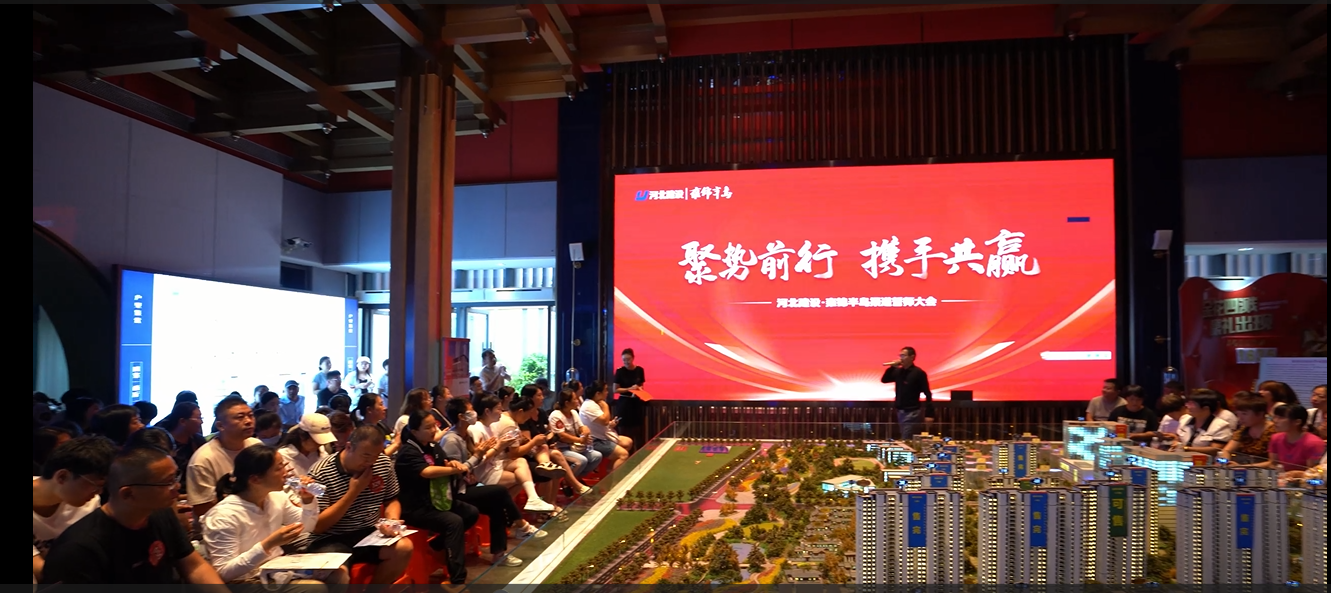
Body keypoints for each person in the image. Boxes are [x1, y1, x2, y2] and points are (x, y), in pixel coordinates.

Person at [39, 446, 225, 584]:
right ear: (128, 494)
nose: (177, 488)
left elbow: (194, 566)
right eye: (167, 482)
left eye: (176, 477)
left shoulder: (161, 513)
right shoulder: (78, 548)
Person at [202, 444, 344, 584]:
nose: (286, 472)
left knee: (339, 572)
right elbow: (224, 573)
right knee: (314, 587)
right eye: (278, 468)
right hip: (244, 580)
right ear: (255, 479)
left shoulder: (276, 497)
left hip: (274, 567)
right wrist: (268, 544)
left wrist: (308, 501)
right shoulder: (223, 515)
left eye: (284, 465)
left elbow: (306, 527)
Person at [438, 397, 546, 561]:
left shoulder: (465, 434)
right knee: (500, 492)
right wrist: (487, 452)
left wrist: (484, 452)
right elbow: (457, 471)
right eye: (470, 411)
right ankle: (521, 524)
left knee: (497, 504)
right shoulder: (451, 439)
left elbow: (473, 461)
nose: (474, 413)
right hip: (457, 491)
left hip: (469, 484)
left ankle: (500, 554)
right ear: (461, 416)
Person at [306, 426, 413, 585]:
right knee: (337, 574)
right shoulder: (321, 473)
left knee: (404, 548)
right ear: (349, 447)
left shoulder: (382, 463)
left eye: (376, 455)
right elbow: (318, 526)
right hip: (329, 538)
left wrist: (392, 521)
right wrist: (353, 492)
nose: (371, 462)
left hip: (368, 533)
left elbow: (391, 500)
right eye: (366, 455)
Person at [395, 409, 477, 583]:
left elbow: (444, 463)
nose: (433, 430)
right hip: (415, 508)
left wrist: (452, 463)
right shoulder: (408, 451)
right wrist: (454, 469)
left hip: (438, 501)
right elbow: (427, 472)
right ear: (414, 431)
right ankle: (457, 580)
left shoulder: (433, 446)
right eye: (428, 427)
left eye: (434, 425)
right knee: (454, 522)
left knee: (470, 512)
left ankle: (435, 545)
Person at [33, 436, 118, 583]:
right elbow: (42, 572)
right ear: (62, 476)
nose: (98, 493)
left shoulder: (89, 503)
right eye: (96, 485)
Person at [185, 397, 262, 519]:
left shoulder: (256, 445)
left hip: (259, 515)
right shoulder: (203, 459)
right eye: (240, 417)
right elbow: (201, 508)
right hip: (222, 523)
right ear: (220, 425)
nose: (248, 421)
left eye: (251, 415)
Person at [881, 347, 933, 441]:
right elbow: (884, 380)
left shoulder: (918, 373)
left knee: (907, 437)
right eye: (900, 356)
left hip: (912, 411)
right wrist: (892, 367)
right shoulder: (899, 372)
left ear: (912, 357)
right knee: (905, 435)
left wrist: (929, 414)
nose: (901, 358)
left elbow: (927, 393)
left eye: (903, 356)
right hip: (900, 411)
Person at [581, 380, 633, 472]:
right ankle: (613, 478)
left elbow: (603, 422)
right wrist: (605, 406)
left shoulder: (596, 403)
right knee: (623, 455)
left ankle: (609, 470)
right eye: (605, 390)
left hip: (603, 436)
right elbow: (604, 421)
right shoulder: (590, 406)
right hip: (595, 441)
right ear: (598, 393)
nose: (607, 392)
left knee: (628, 442)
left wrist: (611, 424)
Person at [1217, 392, 1276, 465]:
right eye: (1238, 414)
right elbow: (1226, 450)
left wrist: (1242, 467)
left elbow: (1273, 462)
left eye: (1244, 414)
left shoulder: (1274, 431)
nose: (1240, 418)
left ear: (1260, 414)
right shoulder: (1244, 429)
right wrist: (1225, 462)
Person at [1266, 404, 1326, 473]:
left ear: (1297, 422)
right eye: (1275, 417)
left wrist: (1294, 474)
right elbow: (1273, 463)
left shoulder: (1313, 443)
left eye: (1281, 417)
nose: (1275, 421)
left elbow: (1314, 472)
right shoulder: (1275, 438)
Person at [1171, 389, 1233, 455]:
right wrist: (1175, 442)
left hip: (1205, 460)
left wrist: (1186, 448)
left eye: (1192, 404)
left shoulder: (1221, 426)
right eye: (1188, 403)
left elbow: (1215, 449)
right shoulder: (1184, 419)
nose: (1187, 406)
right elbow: (1179, 439)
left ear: (1206, 408)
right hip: (1182, 458)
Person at [612, 348, 649, 447]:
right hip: (624, 403)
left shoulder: (640, 370)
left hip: (636, 403)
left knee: (638, 431)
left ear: (633, 358)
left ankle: (638, 450)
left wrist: (638, 389)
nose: (626, 362)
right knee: (624, 430)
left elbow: (641, 386)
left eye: (628, 359)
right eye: (624, 360)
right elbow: (615, 390)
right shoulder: (620, 371)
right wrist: (629, 389)